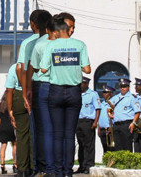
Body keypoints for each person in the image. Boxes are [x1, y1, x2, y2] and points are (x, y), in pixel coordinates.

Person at [39, 14, 91, 177]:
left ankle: (58, 171)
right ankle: (68, 171)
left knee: (57, 134)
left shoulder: (51, 46)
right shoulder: (80, 45)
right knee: (69, 134)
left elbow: (43, 69)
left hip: (56, 91)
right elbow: (87, 69)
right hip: (74, 92)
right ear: (68, 29)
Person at [25, 10, 54, 177]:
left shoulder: (31, 44)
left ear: (33, 24)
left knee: (39, 129)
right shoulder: (59, 42)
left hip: (38, 85)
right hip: (57, 85)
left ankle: (40, 166)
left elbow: (26, 68)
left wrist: (26, 91)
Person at [5, 62, 30, 177]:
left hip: (19, 95)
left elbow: (9, 90)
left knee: (21, 136)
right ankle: (34, 166)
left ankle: (22, 168)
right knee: (34, 134)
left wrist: (10, 109)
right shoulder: (34, 65)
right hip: (32, 94)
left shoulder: (13, 67)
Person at [76, 76, 100, 174]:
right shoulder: (77, 94)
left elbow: (98, 108)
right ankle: (81, 165)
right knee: (80, 145)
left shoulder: (93, 94)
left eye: (82, 83)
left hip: (88, 121)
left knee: (89, 145)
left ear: (86, 84)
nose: (80, 85)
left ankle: (89, 165)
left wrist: (95, 122)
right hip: (78, 121)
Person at [109, 78, 140, 152]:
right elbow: (108, 107)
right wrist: (109, 113)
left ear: (128, 87)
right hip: (116, 124)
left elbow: (137, 112)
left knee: (127, 145)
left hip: (126, 124)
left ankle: (127, 163)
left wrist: (133, 123)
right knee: (117, 146)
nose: (122, 88)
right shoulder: (116, 97)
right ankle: (119, 163)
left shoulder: (132, 98)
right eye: (121, 87)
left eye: (124, 86)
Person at [0, 92, 16, 175]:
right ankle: (15, 164)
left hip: (2, 127)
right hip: (10, 126)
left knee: (3, 145)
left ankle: (2, 165)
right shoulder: (11, 106)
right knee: (15, 144)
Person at [98, 86, 114, 154]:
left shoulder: (112, 104)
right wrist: (99, 128)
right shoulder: (101, 104)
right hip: (102, 129)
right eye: (103, 92)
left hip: (110, 129)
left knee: (111, 148)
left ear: (110, 93)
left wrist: (112, 127)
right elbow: (100, 117)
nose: (104, 94)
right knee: (105, 148)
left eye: (106, 92)